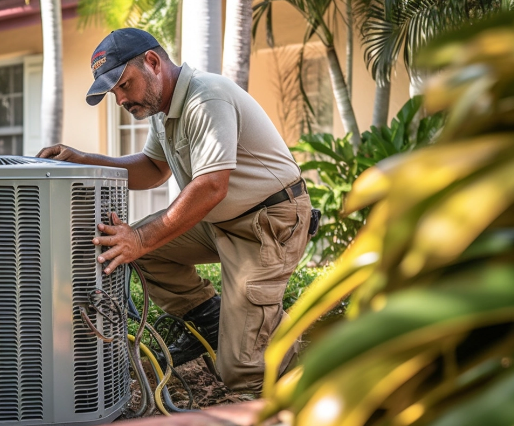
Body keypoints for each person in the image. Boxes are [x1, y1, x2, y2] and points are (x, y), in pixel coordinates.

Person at [37, 28, 312, 392]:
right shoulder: (162, 109)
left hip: (269, 221)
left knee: (242, 371)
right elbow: (153, 169)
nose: (119, 99)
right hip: (221, 221)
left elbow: (212, 185)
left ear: (152, 62)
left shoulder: (206, 98)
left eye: (123, 84)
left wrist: (140, 237)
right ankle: (214, 322)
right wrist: (83, 160)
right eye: (113, 92)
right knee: (132, 252)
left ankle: (322, 363)